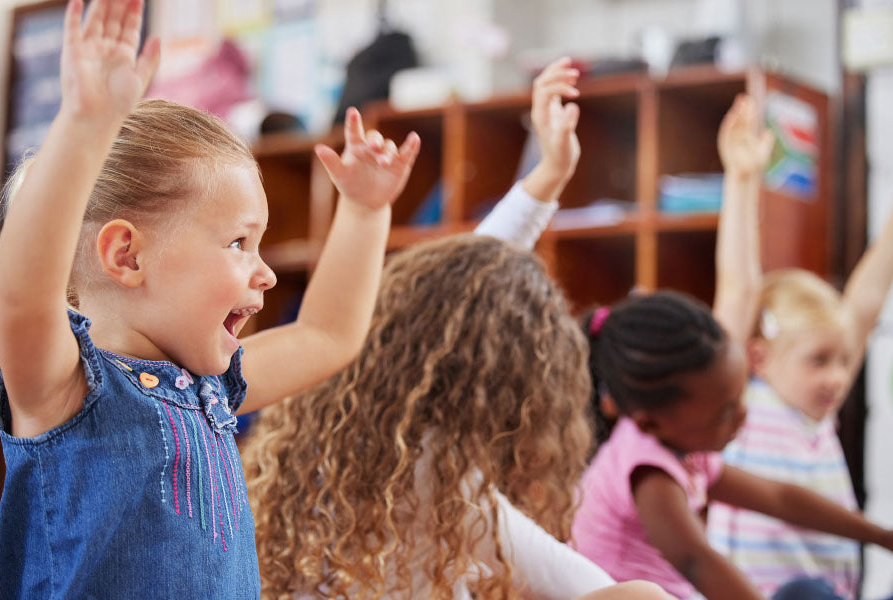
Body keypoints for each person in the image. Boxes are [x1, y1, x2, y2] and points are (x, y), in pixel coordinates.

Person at [0, 0, 419, 597]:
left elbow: (328, 335)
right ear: (127, 257)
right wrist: (85, 125)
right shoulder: (64, 389)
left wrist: (366, 213)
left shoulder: (211, 387)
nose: (265, 274)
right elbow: (21, 292)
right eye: (239, 242)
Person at [243, 58, 669, 600]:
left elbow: (460, 290)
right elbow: (593, 587)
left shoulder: (335, 423)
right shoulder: (444, 484)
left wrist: (549, 176)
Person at [569, 95, 893, 600]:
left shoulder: (691, 448)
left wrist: (882, 536)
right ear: (650, 421)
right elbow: (697, 561)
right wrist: (744, 179)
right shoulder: (646, 468)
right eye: (727, 410)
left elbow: (780, 497)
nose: (741, 418)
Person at [706, 95, 893, 599]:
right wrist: (743, 178)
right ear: (757, 357)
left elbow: (863, 306)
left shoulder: (818, 416)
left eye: (842, 361)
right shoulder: (742, 406)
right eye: (819, 361)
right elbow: (737, 287)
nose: (839, 377)